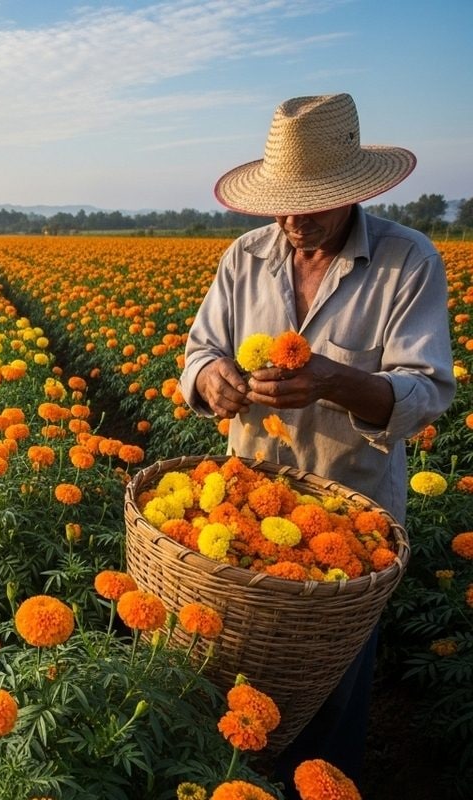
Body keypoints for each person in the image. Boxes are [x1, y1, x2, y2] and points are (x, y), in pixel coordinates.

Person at [179, 94, 455, 787]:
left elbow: (427, 392)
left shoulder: (407, 261)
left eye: (313, 202)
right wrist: (213, 380)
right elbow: (200, 350)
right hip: (240, 516)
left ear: (354, 191)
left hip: (352, 525)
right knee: (227, 691)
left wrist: (334, 379)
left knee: (328, 707)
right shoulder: (245, 258)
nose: (295, 218)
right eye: (284, 203)